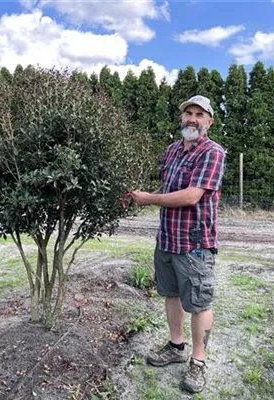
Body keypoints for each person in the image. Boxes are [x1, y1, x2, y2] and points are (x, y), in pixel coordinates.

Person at [131, 95, 225, 393]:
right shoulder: (172, 151)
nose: (192, 119)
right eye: (188, 113)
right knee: (170, 293)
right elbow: (168, 188)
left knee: (199, 302)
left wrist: (148, 199)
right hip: (167, 238)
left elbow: (191, 196)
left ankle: (198, 361)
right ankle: (176, 346)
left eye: (200, 114)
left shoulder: (213, 152)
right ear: (181, 118)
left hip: (194, 243)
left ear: (209, 121)